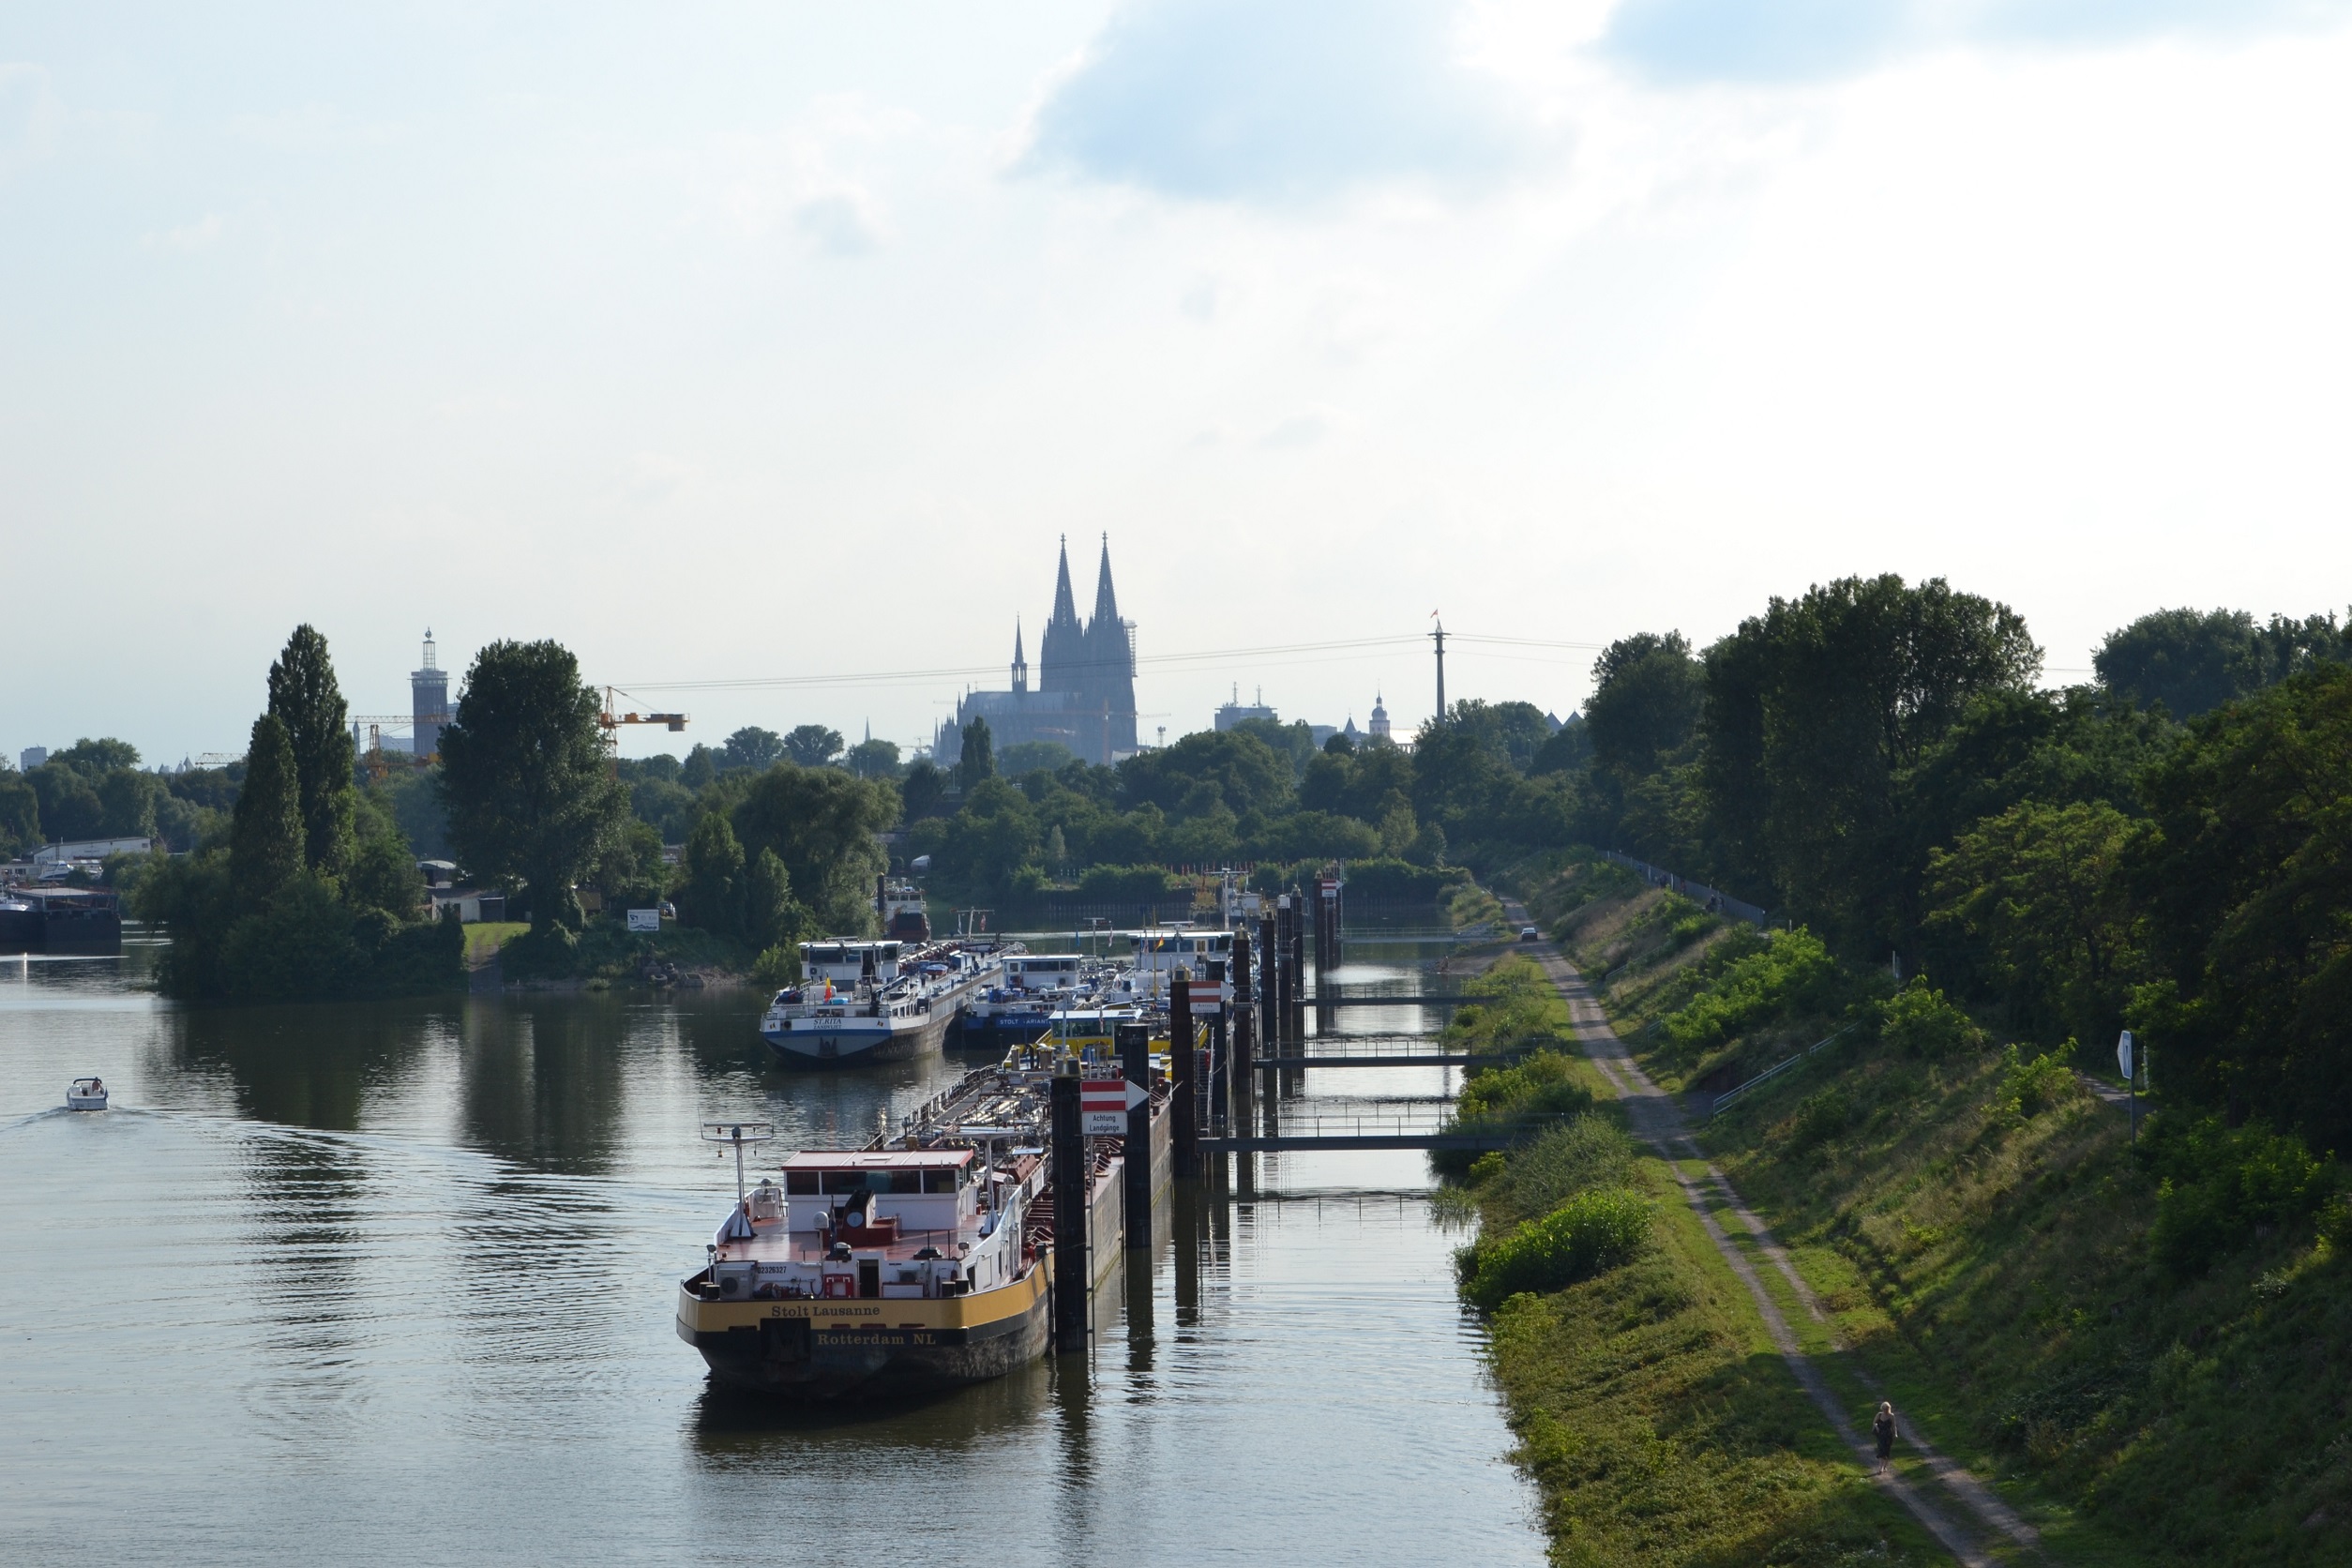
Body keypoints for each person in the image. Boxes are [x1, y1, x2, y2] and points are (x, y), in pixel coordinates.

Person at [1872, 1401, 1897, 1474]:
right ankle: (1881, 1467)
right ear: (1882, 1408)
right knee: (1881, 1450)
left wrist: (1895, 1434)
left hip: (1888, 1436)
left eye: (1887, 1408)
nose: (1885, 1410)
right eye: (1884, 1408)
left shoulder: (1891, 1416)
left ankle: (1885, 1466)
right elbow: (1874, 1422)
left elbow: (1893, 1426)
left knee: (1887, 1451)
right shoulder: (1879, 1415)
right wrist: (1876, 1427)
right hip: (1880, 1435)